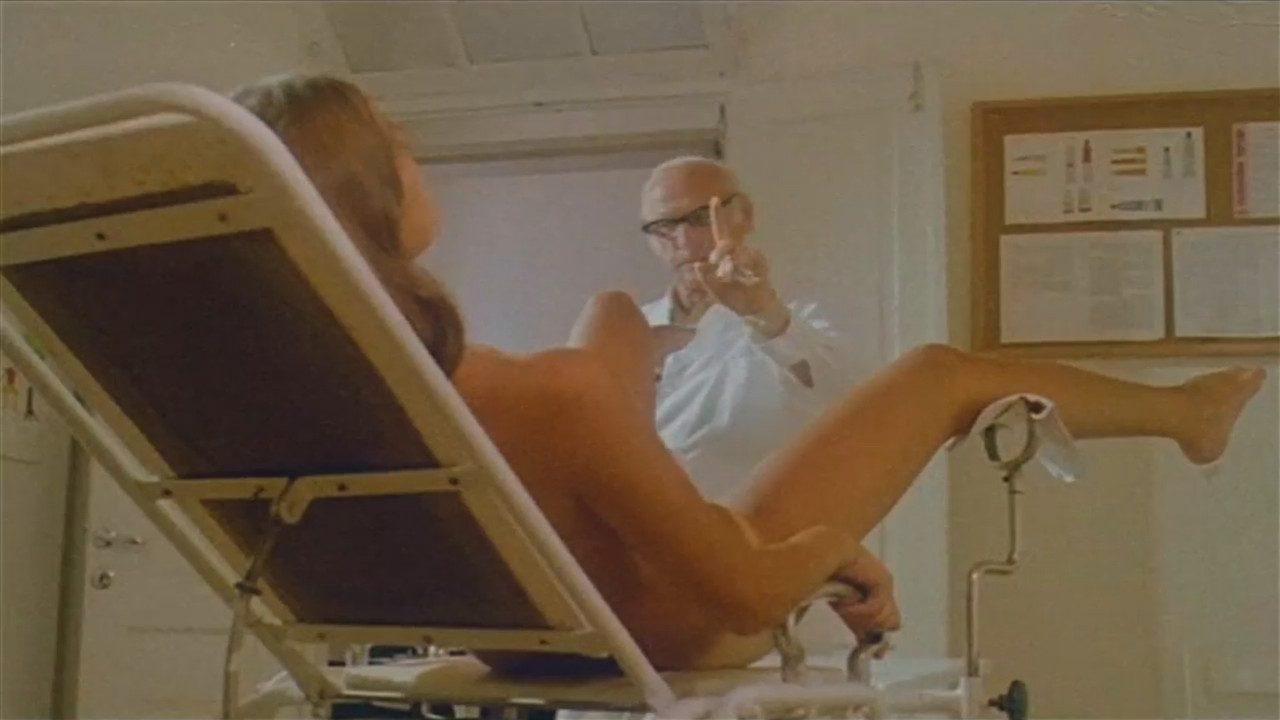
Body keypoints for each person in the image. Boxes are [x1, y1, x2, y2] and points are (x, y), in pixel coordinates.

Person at [233, 74, 1266, 673]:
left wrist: (755, 314)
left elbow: (827, 387)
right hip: (673, 614)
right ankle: (1187, 412)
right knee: (936, 375)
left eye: (709, 214)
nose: (693, 235)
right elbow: (743, 594)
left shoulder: (318, 385)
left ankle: (1185, 410)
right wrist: (834, 550)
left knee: (607, 318)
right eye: (399, 144)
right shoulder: (542, 391)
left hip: (552, 619)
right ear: (369, 191)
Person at [635, 156, 862, 503]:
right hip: (649, 527)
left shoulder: (806, 311)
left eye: (700, 218)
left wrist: (763, 314)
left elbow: (853, 401)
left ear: (744, 214)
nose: (685, 241)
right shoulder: (632, 329)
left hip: (771, 527)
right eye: (664, 226)